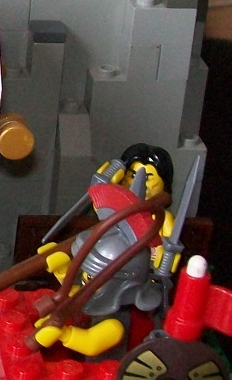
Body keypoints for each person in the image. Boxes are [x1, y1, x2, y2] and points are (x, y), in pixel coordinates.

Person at [34, 144, 177, 357]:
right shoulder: (116, 209)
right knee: (80, 285)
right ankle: (66, 274)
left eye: (148, 178)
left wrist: (63, 334)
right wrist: (110, 173)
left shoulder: (161, 220)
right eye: (131, 175)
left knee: (113, 324)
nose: (138, 182)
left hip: (132, 279)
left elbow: (167, 263)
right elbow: (98, 194)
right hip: (102, 266)